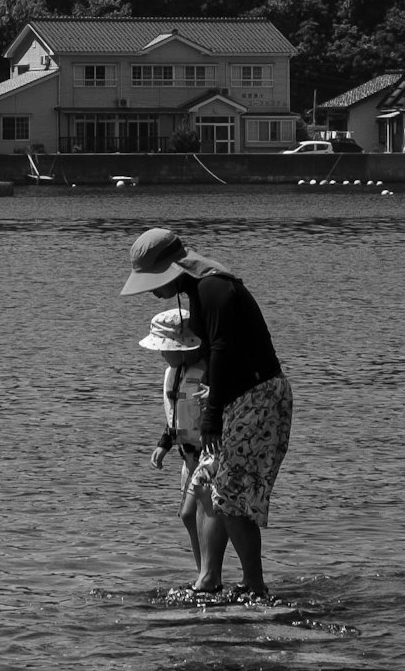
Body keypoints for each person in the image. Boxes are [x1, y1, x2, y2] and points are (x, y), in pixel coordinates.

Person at [121, 225, 291, 599]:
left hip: (258, 397)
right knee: (214, 492)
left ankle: (255, 588)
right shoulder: (198, 289)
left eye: (153, 280)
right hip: (237, 397)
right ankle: (211, 579)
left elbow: (222, 352)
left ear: (173, 267)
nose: (151, 290)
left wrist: (211, 418)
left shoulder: (213, 289)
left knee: (231, 497)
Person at [138, 301, 207, 562]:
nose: (161, 355)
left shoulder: (207, 372)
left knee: (194, 514)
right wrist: (163, 445)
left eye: (165, 349)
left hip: (207, 455)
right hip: (187, 459)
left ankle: (208, 574)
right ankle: (203, 571)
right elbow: (176, 417)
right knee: (188, 515)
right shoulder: (173, 374)